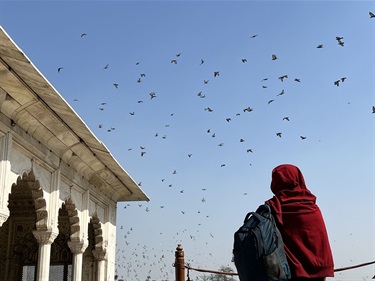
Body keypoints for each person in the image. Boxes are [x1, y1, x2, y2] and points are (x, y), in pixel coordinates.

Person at [265, 164, 334, 281]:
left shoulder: (271, 209)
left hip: (287, 273)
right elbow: (321, 247)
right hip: (317, 273)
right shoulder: (312, 207)